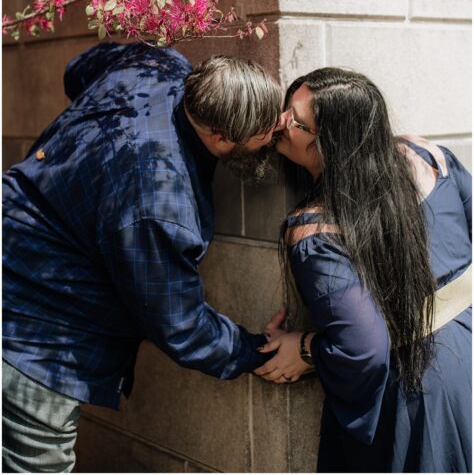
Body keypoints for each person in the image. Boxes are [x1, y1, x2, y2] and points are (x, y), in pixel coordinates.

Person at [2, 43, 282, 474]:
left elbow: (78, 70)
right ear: (220, 138)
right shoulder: (158, 200)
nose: (276, 136)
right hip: (38, 339)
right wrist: (256, 351)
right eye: (265, 136)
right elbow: (180, 324)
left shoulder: (155, 63)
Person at [255, 67, 472, 473]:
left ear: (330, 145)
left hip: (420, 396)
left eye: (295, 121)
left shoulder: (313, 230)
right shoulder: (429, 158)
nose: (280, 121)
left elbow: (362, 349)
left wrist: (307, 349)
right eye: (287, 106)